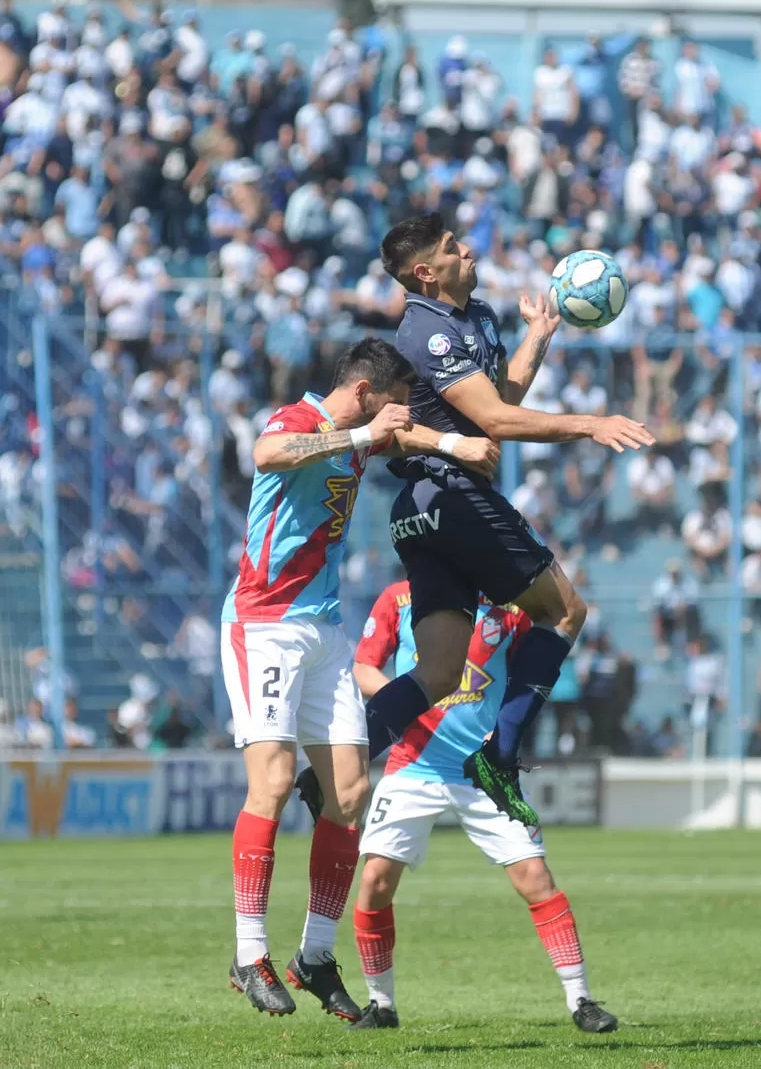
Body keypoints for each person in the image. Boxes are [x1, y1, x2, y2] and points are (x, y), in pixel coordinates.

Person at [319, 213, 652, 828]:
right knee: (565, 611)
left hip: (423, 512)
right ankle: (499, 754)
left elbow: (499, 401)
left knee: (441, 670)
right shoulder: (427, 334)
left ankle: (341, 763)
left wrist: (540, 336)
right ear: (426, 271)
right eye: (452, 247)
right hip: (450, 500)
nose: (467, 249)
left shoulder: (476, 318)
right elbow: (495, 424)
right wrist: (592, 424)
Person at [221, 337, 498, 1019]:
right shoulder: (300, 420)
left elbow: (401, 437)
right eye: (396, 402)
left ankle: (313, 955)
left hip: (322, 630)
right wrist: (359, 433)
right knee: (275, 782)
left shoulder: (366, 430)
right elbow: (265, 455)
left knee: (347, 791)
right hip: (264, 624)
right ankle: (248, 952)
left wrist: (455, 446)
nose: (402, 414)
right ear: (367, 391)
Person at [343, 580, 617, 1033]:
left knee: (535, 878)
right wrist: (409, 694)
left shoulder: (510, 606)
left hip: (482, 769)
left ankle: (581, 1000)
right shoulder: (400, 597)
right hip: (414, 765)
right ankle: (381, 1005)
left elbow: (534, 670)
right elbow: (363, 668)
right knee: (374, 881)